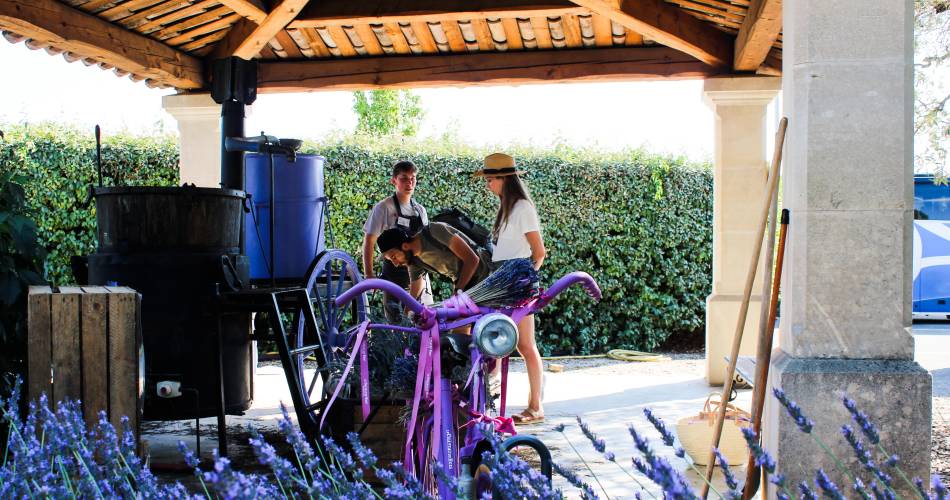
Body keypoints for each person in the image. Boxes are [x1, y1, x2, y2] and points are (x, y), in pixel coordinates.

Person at [477, 152, 547, 425]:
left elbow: (539, 253)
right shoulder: (507, 209)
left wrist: (523, 280)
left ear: (505, 179)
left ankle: (536, 406)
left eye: (491, 179)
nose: (488, 185)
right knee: (497, 341)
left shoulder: (522, 209)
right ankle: (488, 399)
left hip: (517, 283)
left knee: (526, 345)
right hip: (503, 280)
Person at [362, 160, 429, 323]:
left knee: (421, 325)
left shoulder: (420, 211)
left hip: (419, 278)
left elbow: (427, 244)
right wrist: (369, 275)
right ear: (394, 181)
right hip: (393, 278)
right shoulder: (384, 207)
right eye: (404, 178)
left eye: (413, 178)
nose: (410, 182)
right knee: (396, 328)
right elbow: (369, 241)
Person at [376, 222, 493, 299]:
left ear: (405, 246)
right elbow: (415, 288)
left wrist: (458, 290)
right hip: (466, 281)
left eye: (394, 257)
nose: (395, 264)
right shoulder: (414, 261)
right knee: (459, 323)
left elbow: (472, 259)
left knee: (461, 322)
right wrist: (407, 314)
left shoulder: (434, 231)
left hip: (485, 270)